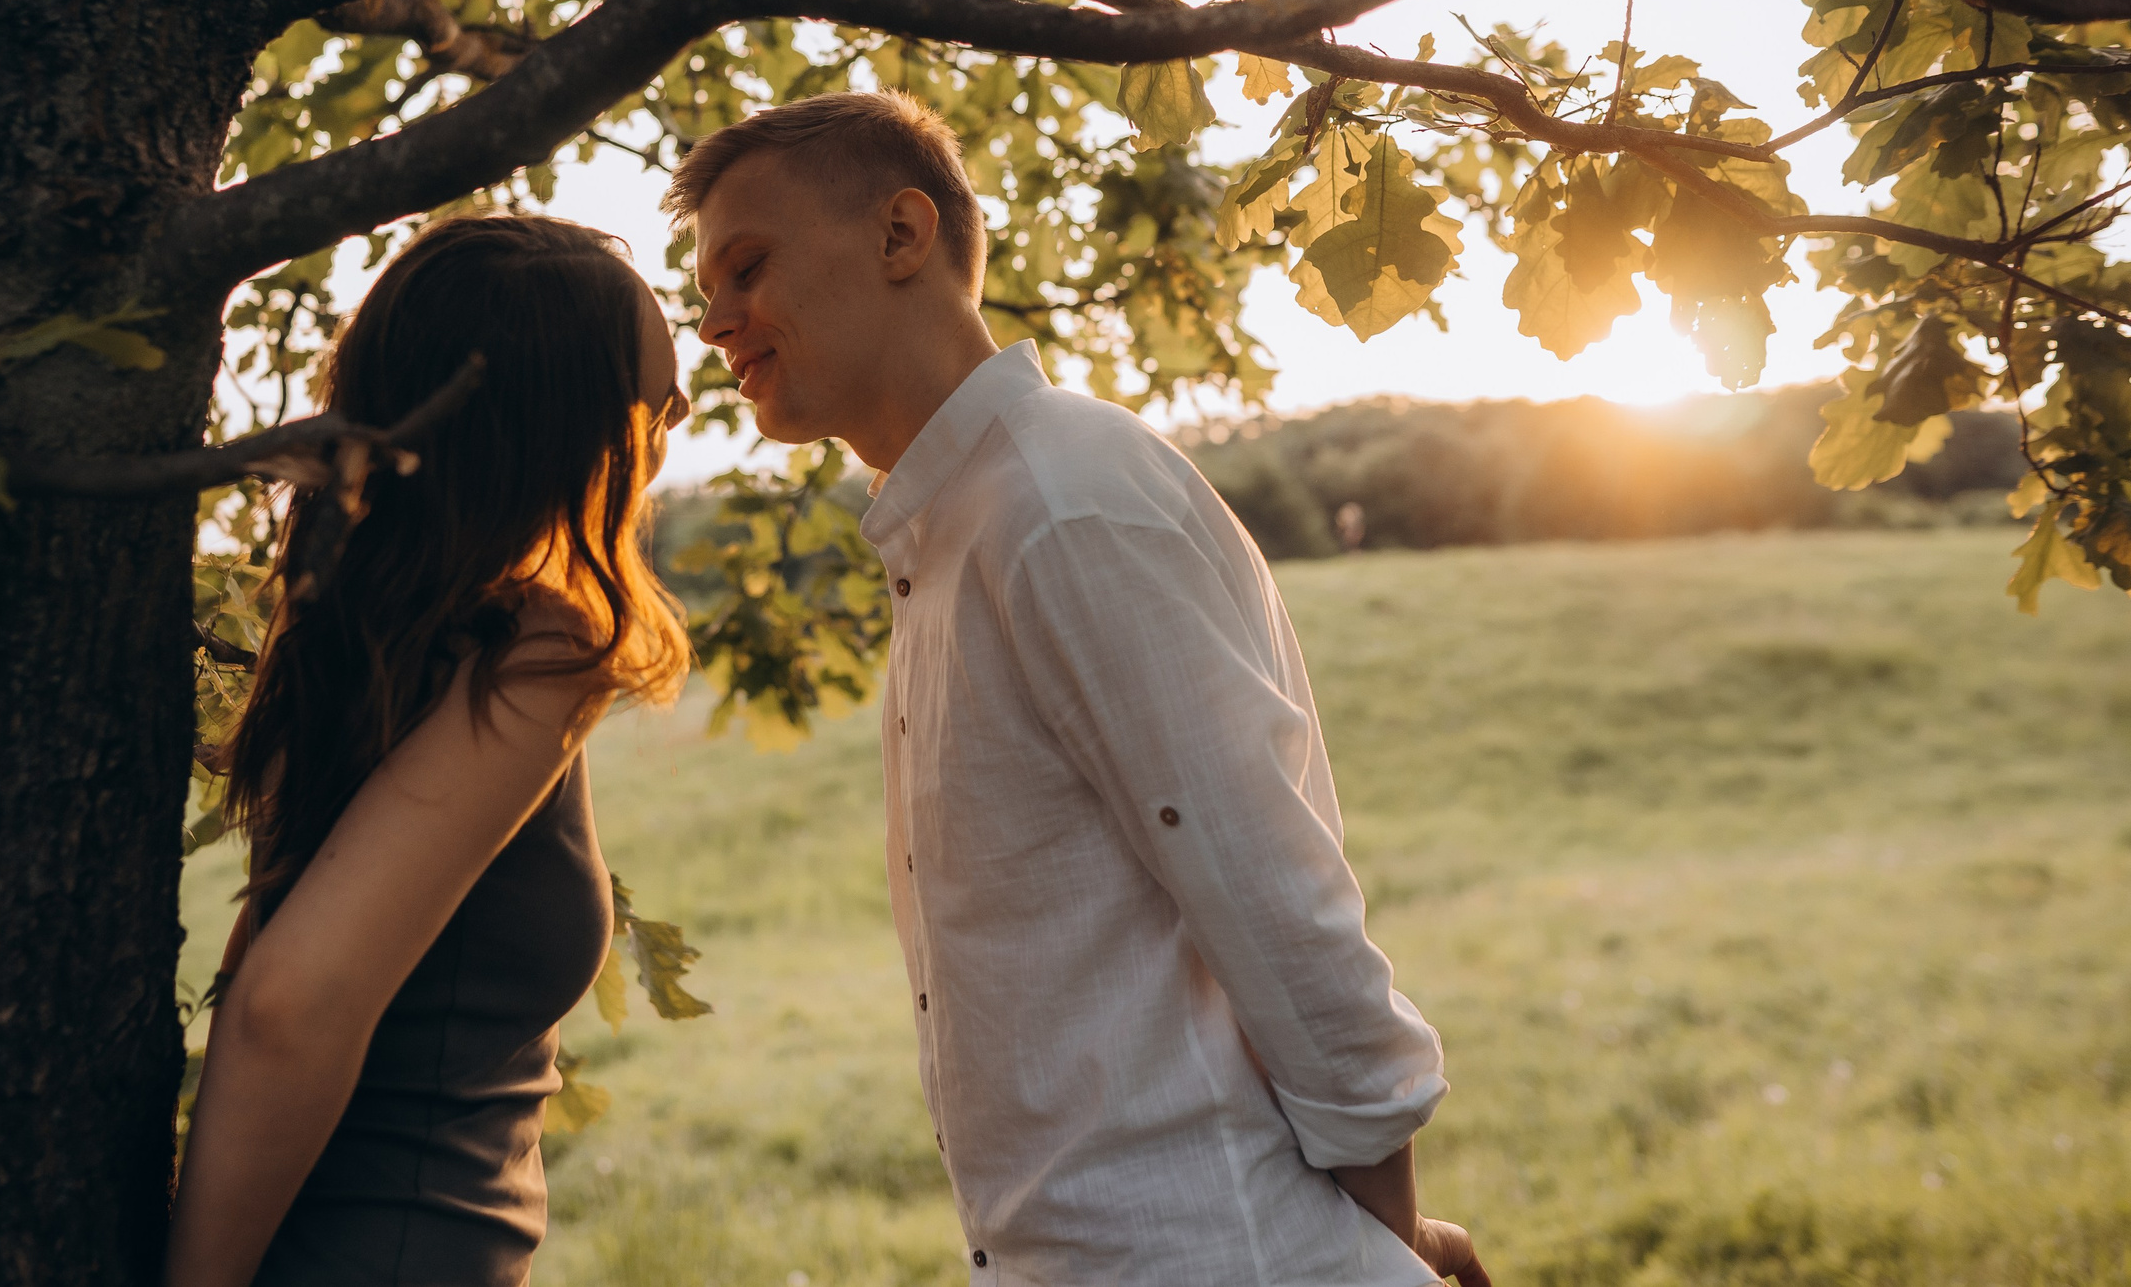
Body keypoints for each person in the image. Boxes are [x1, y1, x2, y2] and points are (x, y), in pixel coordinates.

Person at [667, 91, 1489, 1287]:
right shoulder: (959, 526)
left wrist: (1391, 1239)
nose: (715, 321)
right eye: (704, 292)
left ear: (903, 236)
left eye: (746, 268)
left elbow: (1270, 889)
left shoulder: (1061, 500)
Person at [166, 214, 691, 1287]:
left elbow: (262, 953)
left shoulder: (366, 628)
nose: (674, 431)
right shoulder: (535, 647)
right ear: (562, 429)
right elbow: (285, 1000)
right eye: (657, 405)